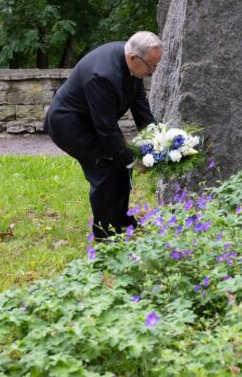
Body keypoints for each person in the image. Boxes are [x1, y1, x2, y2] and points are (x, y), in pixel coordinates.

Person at [44, 31, 163, 240]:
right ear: (133, 58)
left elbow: (141, 107)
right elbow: (106, 132)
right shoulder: (103, 76)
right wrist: (134, 161)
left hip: (95, 120)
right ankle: (105, 234)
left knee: (121, 168)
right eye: (151, 66)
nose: (153, 71)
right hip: (70, 124)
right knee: (105, 169)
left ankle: (123, 222)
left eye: (156, 66)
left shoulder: (132, 63)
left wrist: (158, 139)